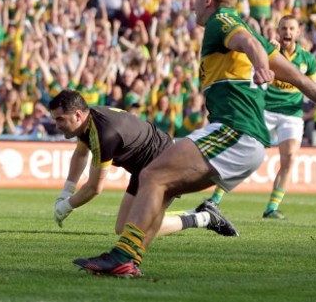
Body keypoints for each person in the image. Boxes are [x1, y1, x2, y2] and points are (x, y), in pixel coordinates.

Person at [72, 0, 316, 277]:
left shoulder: (221, 21)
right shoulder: (247, 33)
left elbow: (248, 42)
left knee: (151, 174)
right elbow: (302, 80)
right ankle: (129, 259)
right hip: (245, 140)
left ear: (208, 0)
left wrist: (262, 66)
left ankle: (122, 255)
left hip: (235, 131)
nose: (192, 8)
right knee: (160, 186)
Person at [50, 89, 239, 244]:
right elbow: (81, 152)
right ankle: (202, 214)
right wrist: (67, 191)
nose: (56, 125)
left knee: (137, 228)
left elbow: (94, 188)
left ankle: (205, 217)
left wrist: (66, 206)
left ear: (77, 115)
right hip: (147, 164)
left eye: (60, 119)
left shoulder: (104, 134)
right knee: (122, 227)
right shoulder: (89, 120)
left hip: (163, 162)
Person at [208, 15, 316, 219]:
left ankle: (272, 208)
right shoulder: (269, 50)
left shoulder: (308, 60)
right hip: (265, 109)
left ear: (298, 32)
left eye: (291, 28)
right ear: (278, 30)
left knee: (290, 157)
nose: (287, 32)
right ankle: (215, 199)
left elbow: (311, 87)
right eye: (284, 28)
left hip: (291, 113)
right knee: (242, 152)